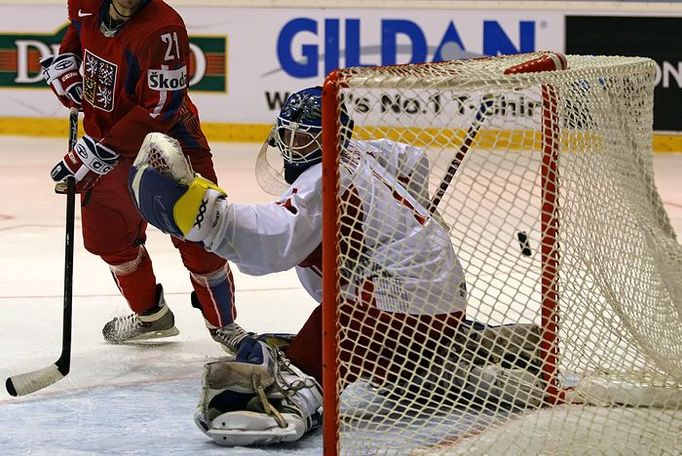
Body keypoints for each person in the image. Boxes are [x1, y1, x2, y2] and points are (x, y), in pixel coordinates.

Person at [126, 86, 474, 446]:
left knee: (313, 354)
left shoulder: (323, 181)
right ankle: (420, 360)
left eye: (306, 140)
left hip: (402, 300)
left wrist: (206, 216)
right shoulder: (363, 151)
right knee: (334, 311)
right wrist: (415, 214)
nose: (292, 148)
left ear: (332, 140)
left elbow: (277, 239)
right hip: (434, 290)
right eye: (287, 135)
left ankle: (300, 395)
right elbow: (411, 157)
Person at [40, 0, 250, 352]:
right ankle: (151, 317)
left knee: (199, 233)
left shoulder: (163, 29)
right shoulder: (85, 3)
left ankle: (223, 323)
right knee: (109, 239)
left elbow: (160, 108)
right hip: (102, 134)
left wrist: (97, 151)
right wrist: (69, 65)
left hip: (167, 141)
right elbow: (78, 34)